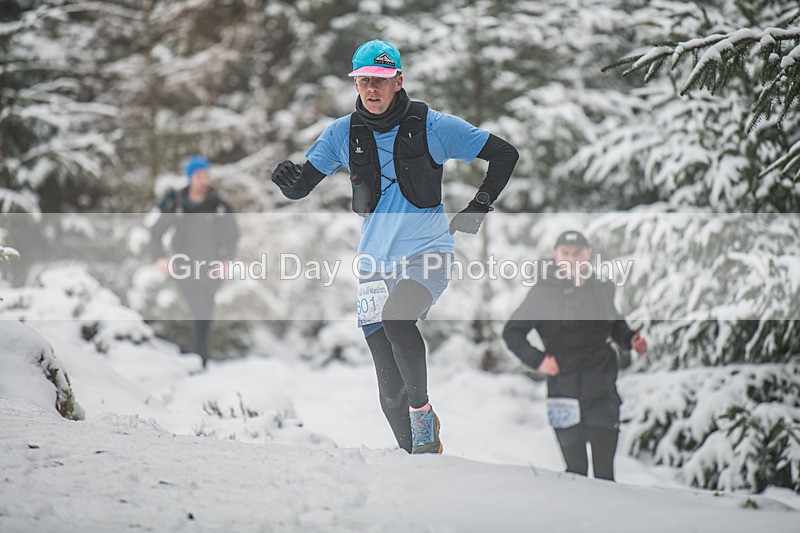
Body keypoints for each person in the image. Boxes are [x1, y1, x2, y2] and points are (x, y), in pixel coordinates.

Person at [270, 40, 518, 454]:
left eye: (381, 80)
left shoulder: (432, 126)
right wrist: (287, 181)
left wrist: (479, 205)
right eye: (365, 80)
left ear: (398, 81)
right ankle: (417, 461)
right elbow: (301, 187)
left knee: (398, 319)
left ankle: (423, 412)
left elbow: (504, 154)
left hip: (428, 253)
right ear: (355, 83)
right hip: (374, 265)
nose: (372, 88)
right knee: (389, 391)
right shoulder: (341, 134)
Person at [502, 230, 648, 480]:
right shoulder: (543, 292)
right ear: (555, 255)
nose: (572, 259)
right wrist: (539, 360)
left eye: (578, 253)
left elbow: (613, 323)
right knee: (576, 474)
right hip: (563, 390)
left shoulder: (602, 288)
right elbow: (512, 333)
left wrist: (629, 338)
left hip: (601, 387)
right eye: (565, 253)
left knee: (605, 475)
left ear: (588, 254)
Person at [150, 155, 239, 369]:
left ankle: (191, 354)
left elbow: (233, 235)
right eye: (199, 176)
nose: (204, 180)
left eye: (206, 175)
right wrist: (160, 258)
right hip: (184, 266)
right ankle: (200, 359)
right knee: (200, 312)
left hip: (211, 267)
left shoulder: (218, 206)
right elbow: (156, 232)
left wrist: (227, 260)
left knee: (206, 314)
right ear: (190, 178)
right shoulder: (177, 203)